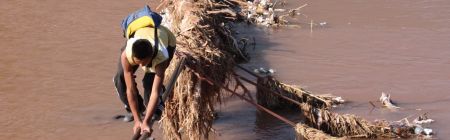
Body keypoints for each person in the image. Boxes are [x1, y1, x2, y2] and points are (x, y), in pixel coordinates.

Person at [113, 23, 176, 135]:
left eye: (144, 63)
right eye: (138, 63)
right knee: (120, 78)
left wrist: (146, 122)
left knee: (149, 83)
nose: (141, 66)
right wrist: (137, 121)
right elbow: (130, 89)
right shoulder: (127, 55)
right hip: (142, 38)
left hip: (166, 41)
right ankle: (138, 110)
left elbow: (155, 93)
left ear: (151, 56)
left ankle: (155, 109)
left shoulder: (161, 58)